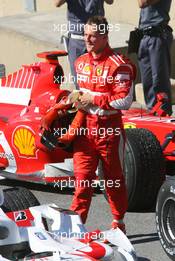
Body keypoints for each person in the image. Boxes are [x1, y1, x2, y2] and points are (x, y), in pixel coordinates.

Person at [68, 16, 136, 232]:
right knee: (82, 183)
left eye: (93, 35)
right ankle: (75, 229)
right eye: (85, 34)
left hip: (110, 131)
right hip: (85, 131)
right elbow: (82, 97)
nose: (87, 39)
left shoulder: (120, 64)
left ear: (105, 37)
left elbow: (124, 101)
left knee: (113, 181)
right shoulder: (80, 62)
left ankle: (118, 222)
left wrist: (94, 98)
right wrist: (73, 100)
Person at [54, 0, 114, 88]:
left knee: (102, 82)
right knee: (80, 84)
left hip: (97, 38)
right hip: (78, 39)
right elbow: (57, 3)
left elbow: (110, 1)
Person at [137, 0, 173, 116]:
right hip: (145, 35)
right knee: (148, 83)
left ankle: (165, 118)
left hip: (158, 36)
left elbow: (143, 2)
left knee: (159, 82)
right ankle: (152, 116)